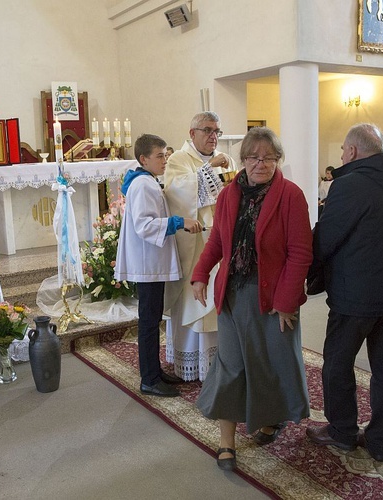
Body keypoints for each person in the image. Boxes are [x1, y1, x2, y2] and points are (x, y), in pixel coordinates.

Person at [192, 127, 313, 471]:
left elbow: (300, 252)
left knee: (271, 364)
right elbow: (217, 240)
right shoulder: (229, 194)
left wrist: (287, 301)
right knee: (231, 364)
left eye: (268, 157)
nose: (260, 163)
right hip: (234, 292)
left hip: (274, 294)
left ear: (278, 160)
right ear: (243, 159)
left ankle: (271, 417)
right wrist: (201, 274)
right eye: (253, 157)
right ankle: (226, 442)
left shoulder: (290, 195)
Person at [306, 123, 383, 464]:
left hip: (355, 296)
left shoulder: (349, 184)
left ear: (352, 151)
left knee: (337, 364)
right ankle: (381, 438)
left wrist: (303, 269)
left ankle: (342, 431)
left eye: (342, 150)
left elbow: (327, 237)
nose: (341, 156)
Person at [114, 133, 201, 398]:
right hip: (147, 263)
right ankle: (149, 379)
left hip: (150, 262)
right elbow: (144, 225)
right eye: (160, 155)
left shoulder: (147, 181)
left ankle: (154, 371)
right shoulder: (143, 185)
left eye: (166, 153)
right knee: (149, 321)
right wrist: (178, 222)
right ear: (143, 159)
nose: (165, 159)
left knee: (151, 319)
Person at [163, 111, 236, 382]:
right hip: (194, 245)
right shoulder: (179, 159)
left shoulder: (226, 160)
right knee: (196, 301)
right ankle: (192, 360)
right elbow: (176, 192)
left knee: (221, 299)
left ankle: (220, 362)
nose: (213, 136)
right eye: (207, 130)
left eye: (217, 131)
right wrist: (207, 169)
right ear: (192, 133)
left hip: (222, 242)